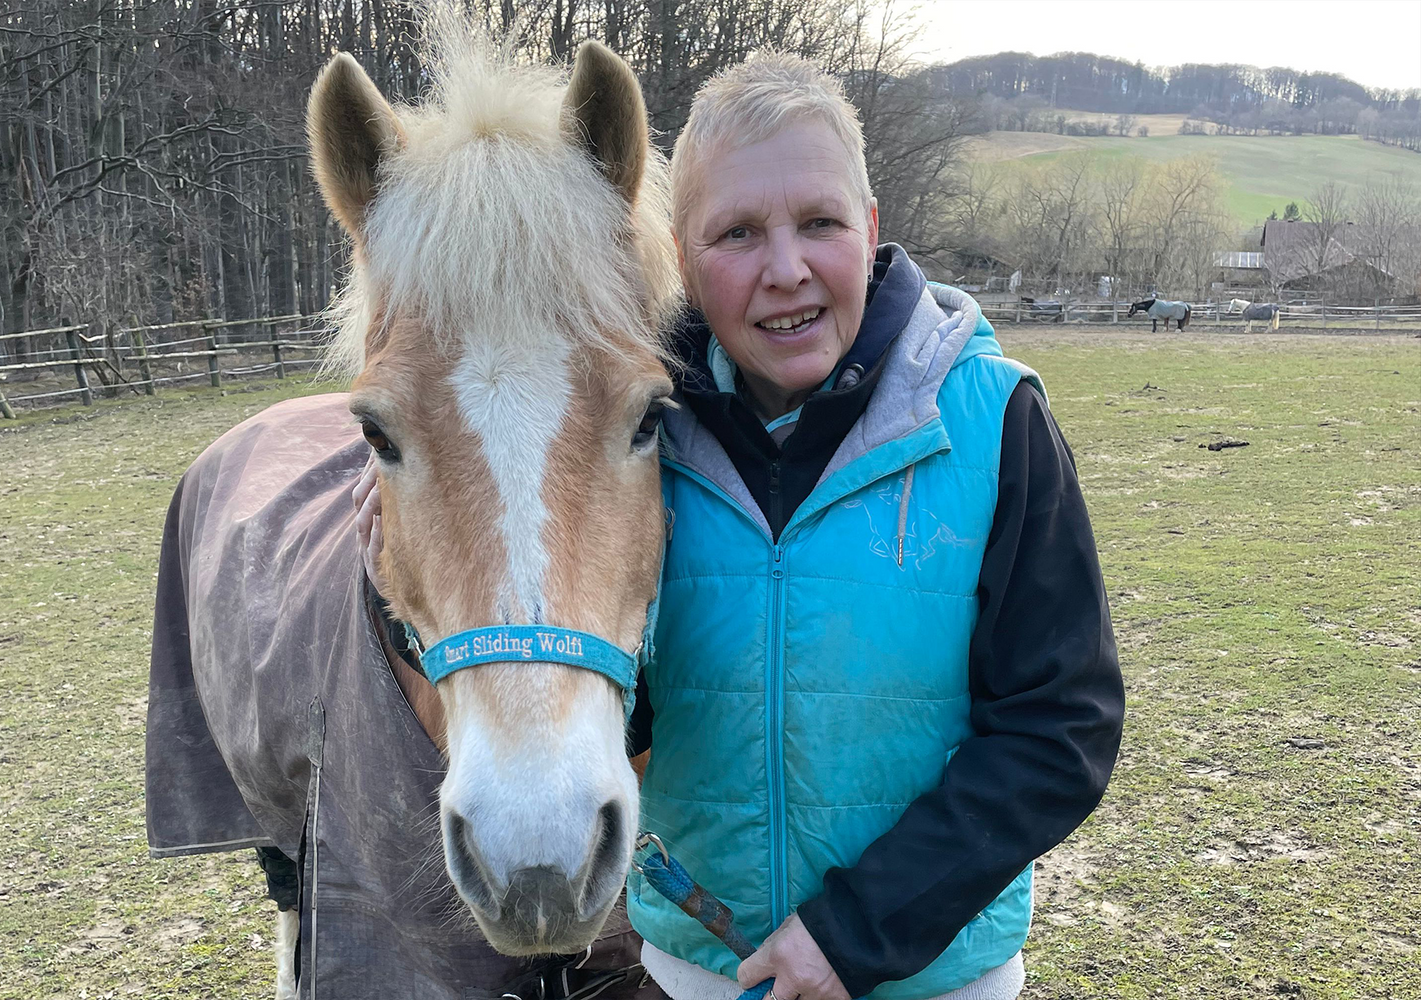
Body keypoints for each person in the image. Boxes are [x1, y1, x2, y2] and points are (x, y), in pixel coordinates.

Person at [356, 53, 1123, 1000]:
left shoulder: (997, 424)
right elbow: (605, 657)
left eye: (820, 223)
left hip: (938, 973)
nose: (786, 268)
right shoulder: (644, 439)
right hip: (705, 966)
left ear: (872, 228)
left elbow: (1061, 726)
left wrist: (855, 933)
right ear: (680, 257)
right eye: (738, 233)